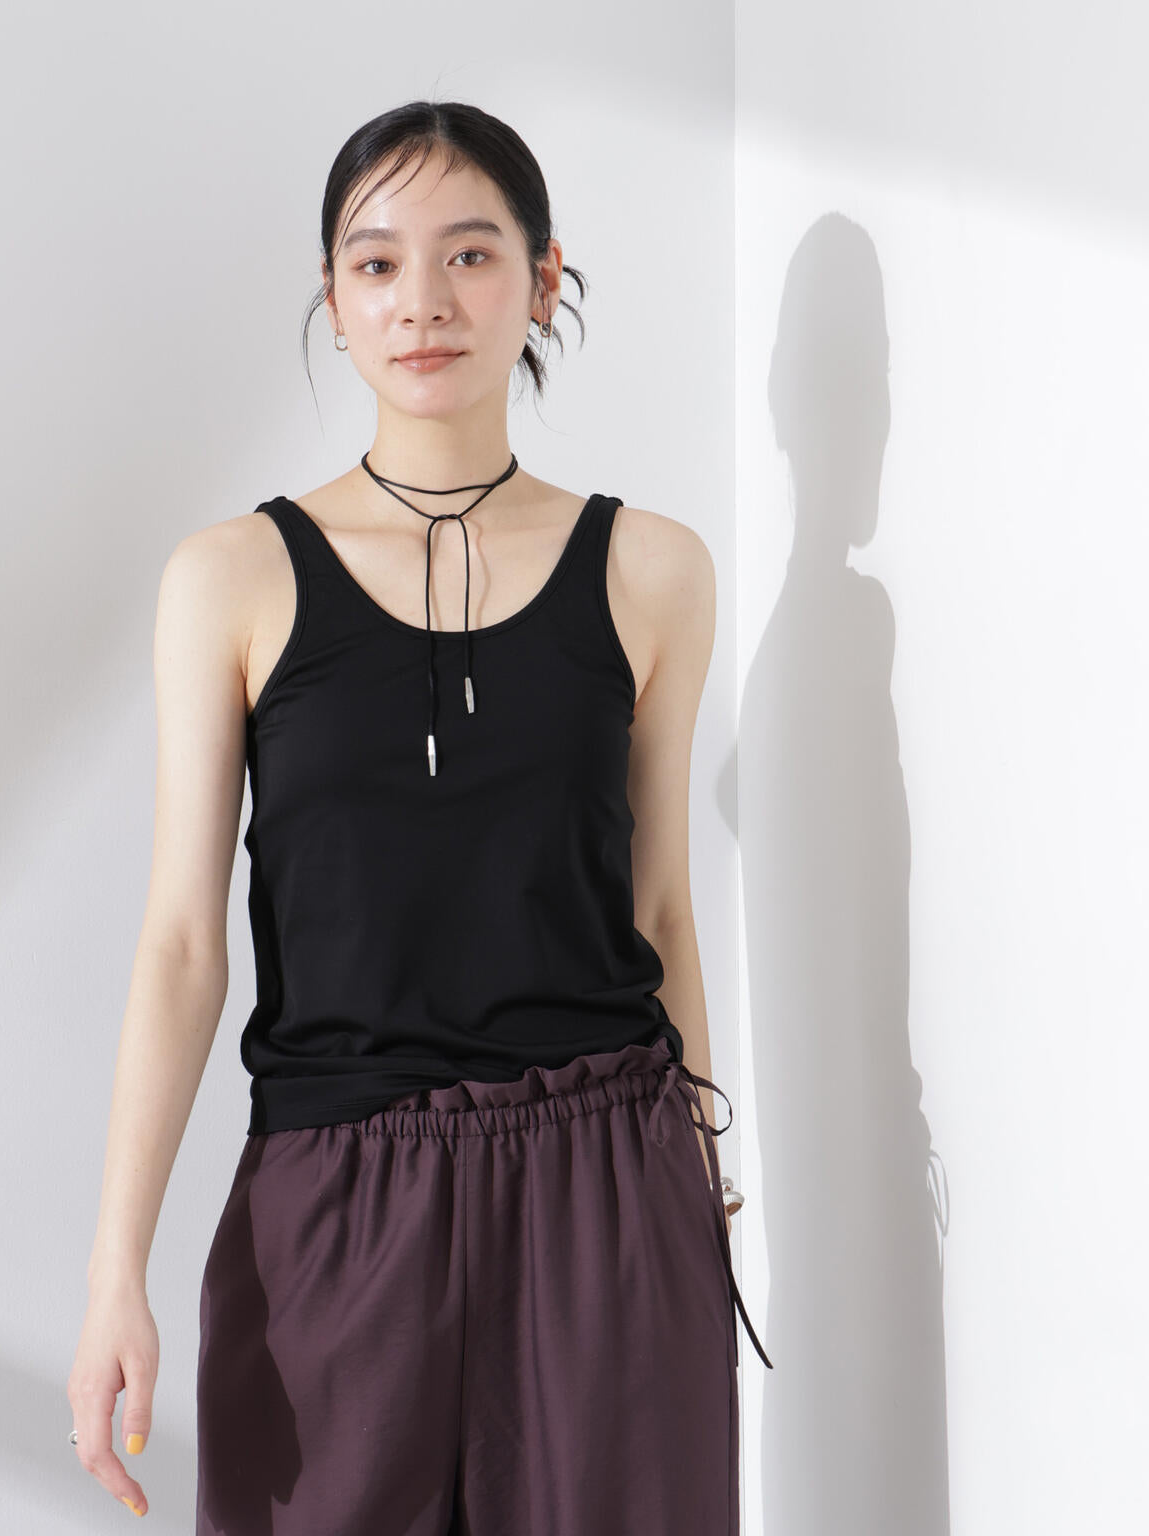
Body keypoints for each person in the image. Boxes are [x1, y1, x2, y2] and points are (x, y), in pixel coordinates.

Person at [66, 98, 769, 1534]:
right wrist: (113, 1271)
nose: (423, 301)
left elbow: (661, 909)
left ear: (544, 279)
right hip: (335, 1195)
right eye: (378, 262)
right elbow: (184, 944)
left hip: (606, 1187)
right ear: (333, 300)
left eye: (470, 254)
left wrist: (698, 1195)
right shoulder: (232, 578)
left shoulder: (653, 570)